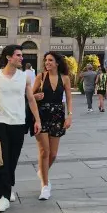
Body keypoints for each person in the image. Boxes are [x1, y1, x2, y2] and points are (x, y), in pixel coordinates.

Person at [0, 45, 41, 213]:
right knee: (4, 161)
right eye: (18, 55)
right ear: (8, 57)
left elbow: (30, 100)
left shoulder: (24, 77)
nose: (22, 58)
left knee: (13, 160)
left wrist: (37, 120)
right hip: (0, 122)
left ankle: (6, 187)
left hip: (19, 122)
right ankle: (4, 197)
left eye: (21, 55)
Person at [31, 52, 73, 200]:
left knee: (53, 154)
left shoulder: (65, 78)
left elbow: (68, 97)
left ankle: (43, 171)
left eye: (50, 60)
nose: (47, 62)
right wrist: (35, 96)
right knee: (45, 152)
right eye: (46, 60)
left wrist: (69, 115)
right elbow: (29, 95)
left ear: (57, 63)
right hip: (41, 116)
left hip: (58, 116)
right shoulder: (40, 77)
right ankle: (45, 185)